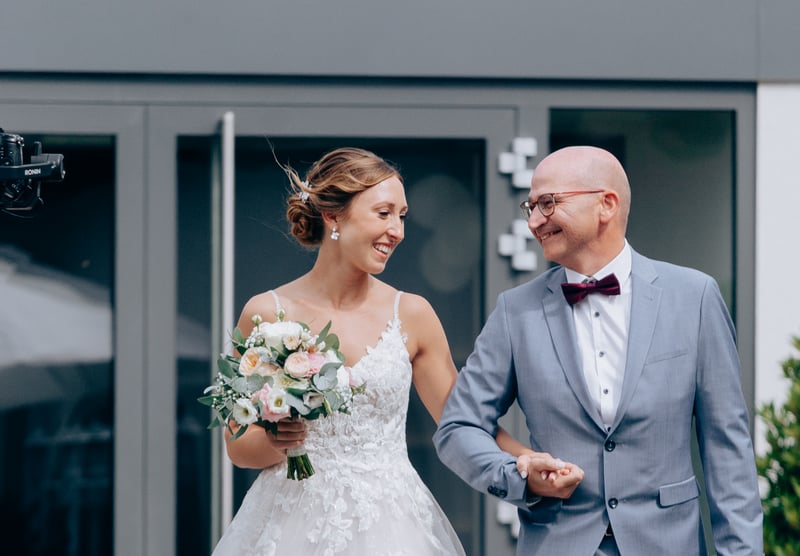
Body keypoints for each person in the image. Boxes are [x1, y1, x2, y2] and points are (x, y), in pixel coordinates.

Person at [211, 147, 558, 556]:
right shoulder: (267, 313)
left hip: (391, 526)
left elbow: (463, 422)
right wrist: (276, 441)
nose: (397, 231)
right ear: (333, 215)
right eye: (383, 213)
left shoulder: (412, 314)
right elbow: (237, 447)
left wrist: (527, 460)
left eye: (402, 216)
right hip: (289, 526)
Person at [434, 145, 764, 555]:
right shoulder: (514, 311)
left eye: (548, 203)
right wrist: (519, 476)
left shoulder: (694, 297)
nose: (534, 221)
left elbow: (727, 449)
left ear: (606, 204)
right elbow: (458, 427)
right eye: (530, 207)